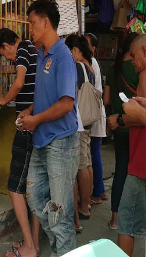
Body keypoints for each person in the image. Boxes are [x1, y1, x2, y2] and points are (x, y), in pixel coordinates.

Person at [18, 0, 79, 256]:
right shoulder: (42, 53)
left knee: (60, 212)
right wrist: (31, 111)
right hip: (42, 140)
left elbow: (66, 104)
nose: (30, 29)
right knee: (34, 198)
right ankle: (58, 243)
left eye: (32, 24)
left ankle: (61, 248)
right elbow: (47, 94)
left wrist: (36, 119)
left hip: (61, 143)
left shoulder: (63, 56)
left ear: (46, 23)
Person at [0, 28, 40, 257]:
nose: (8, 60)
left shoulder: (22, 50)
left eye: (5, 55)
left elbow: (19, 83)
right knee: (33, 186)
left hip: (26, 126)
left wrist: (4, 99)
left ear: (6, 46)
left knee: (15, 187)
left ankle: (29, 248)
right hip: (36, 123)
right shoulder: (34, 49)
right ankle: (34, 243)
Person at [110, 34, 146, 256]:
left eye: (134, 56)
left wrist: (124, 117)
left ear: (145, 52)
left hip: (140, 163)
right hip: (142, 159)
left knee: (125, 223)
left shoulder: (145, 74)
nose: (132, 61)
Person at [105, 32, 139, 230]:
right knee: (135, 174)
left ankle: (115, 220)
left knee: (120, 171)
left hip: (118, 125)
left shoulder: (113, 68)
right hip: (135, 125)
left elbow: (107, 100)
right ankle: (133, 219)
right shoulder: (139, 68)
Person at [64, 35, 94, 232]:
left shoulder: (77, 67)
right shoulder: (90, 67)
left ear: (75, 50)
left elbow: (73, 93)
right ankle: (87, 202)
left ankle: (83, 207)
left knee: (81, 165)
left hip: (80, 122)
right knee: (88, 163)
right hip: (88, 121)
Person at [84, 33, 108, 206]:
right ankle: (100, 190)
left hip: (93, 113)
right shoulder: (92, 62)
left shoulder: (90, 63)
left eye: (86, 43)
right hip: (95, 112)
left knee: (93, 154)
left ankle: (97, 193)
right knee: (94, 153)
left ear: (93, 48)